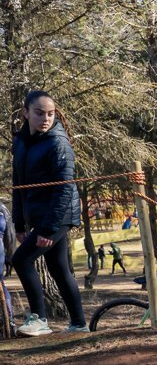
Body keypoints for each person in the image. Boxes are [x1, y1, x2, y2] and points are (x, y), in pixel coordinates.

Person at [11, 90, 87, 335]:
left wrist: (47, 229)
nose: (46, 118)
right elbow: (18, 185)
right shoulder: (20, 142)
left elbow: (64, 189)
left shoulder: (58, 142)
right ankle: (79, 324)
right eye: (39, 113)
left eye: (51, 114)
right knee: (59, 268)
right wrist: (19, 223)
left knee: (21, 260)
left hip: (59, 214)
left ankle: (39, 320)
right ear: (26, 113)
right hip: (40, 215)